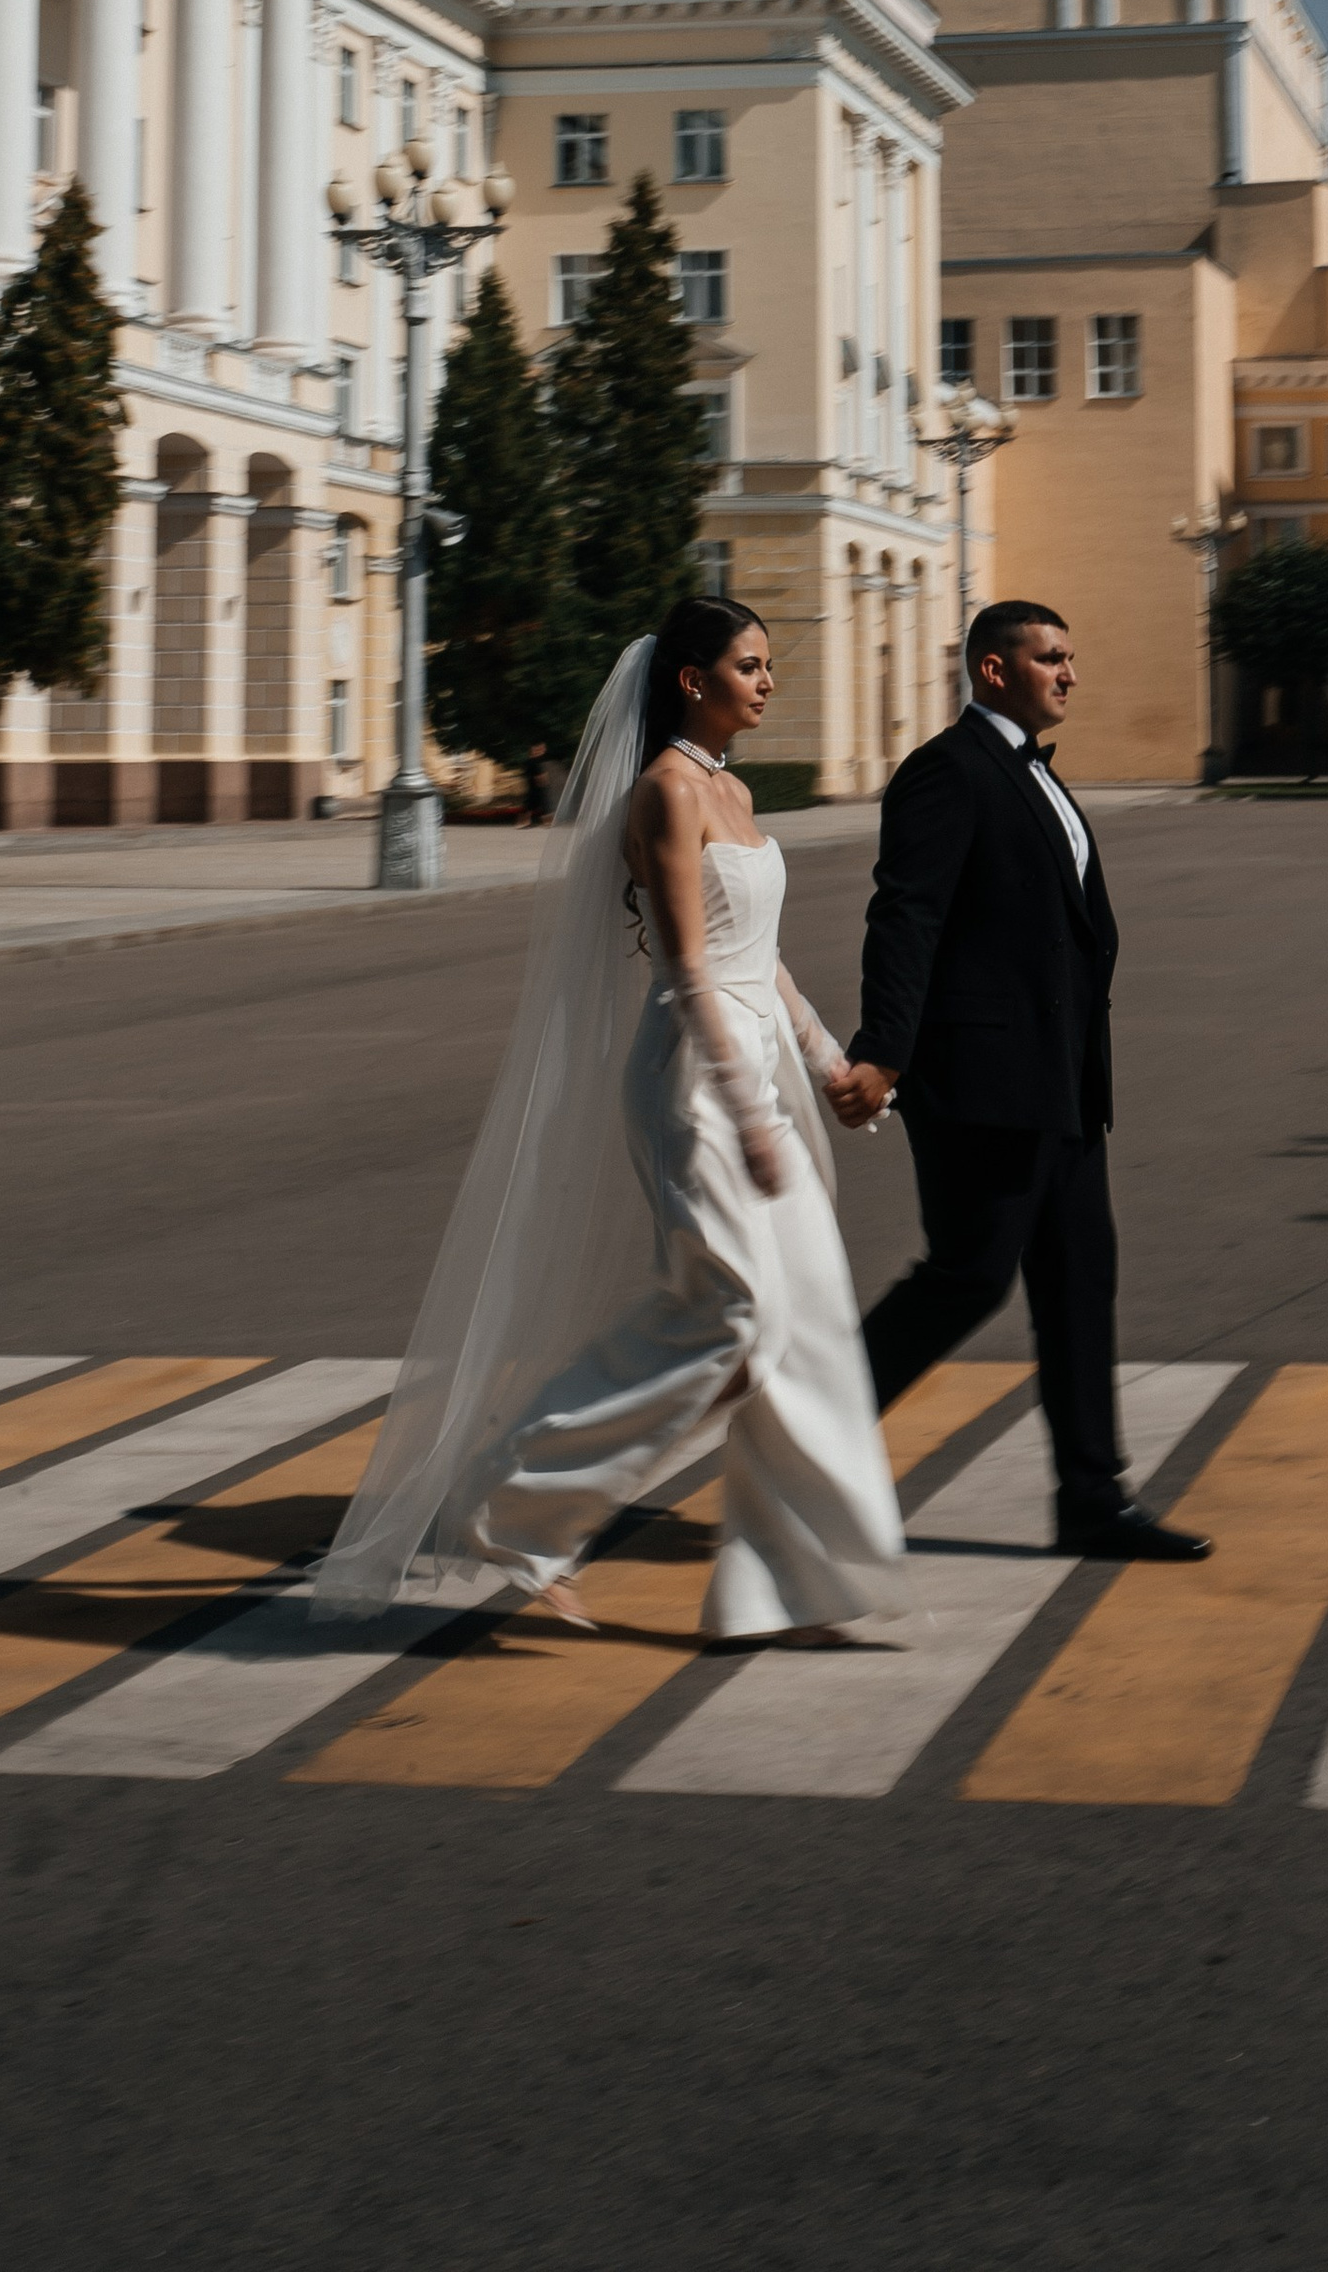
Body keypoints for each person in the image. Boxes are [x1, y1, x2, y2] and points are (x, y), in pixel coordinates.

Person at [314, 602, 906, 1646]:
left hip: (755, 1065)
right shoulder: (668, 792)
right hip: (692, 1077)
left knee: (803, 1318)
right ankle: (513, 1505)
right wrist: (741, 1104)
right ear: (689, 678)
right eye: (749, 665)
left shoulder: (733, 786)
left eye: (769, 665)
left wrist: (829, 1065)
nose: (768, 682)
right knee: (727, 1311)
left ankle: (797, 1586)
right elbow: (686, 965)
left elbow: (757, 954)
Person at [829, 599, 1211, 1563]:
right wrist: (883, 1047)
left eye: (1071, 657)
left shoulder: (1033, 776)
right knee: (968, 1275)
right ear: (994, 671)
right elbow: (905, 915)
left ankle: (1092, 1498)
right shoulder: (948, 772)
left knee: (1081, 1281)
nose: (1070, 674)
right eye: (1052, 659)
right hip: (984, 1079)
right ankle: (805, 1432)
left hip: (1065, 1086)